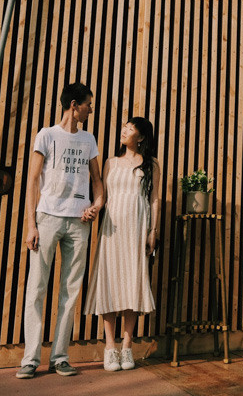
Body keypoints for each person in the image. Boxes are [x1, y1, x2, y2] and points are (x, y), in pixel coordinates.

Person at [17, 83, 105, 379]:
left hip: (79, 223)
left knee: (70, 290)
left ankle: (60, 356)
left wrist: (97, 205)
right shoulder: (47, 135)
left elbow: (97, 182)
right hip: (48, 219)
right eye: (88, 104)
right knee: (36, 289)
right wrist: (31, 224)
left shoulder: (89, 139)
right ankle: (30, 359)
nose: (91, 109)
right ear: (74, 105)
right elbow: (32, 180)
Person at [85, 116, 161, 372]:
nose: (124, 130)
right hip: (112, 229)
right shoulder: (110, 162)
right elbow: (102, 196)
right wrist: (93, 209)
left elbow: (154, 200)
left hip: (137, 229)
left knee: (133, 284)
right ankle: (110, 347)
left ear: (140, 137)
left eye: (130, 128)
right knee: (110, 283)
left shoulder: (151, 165)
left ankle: (127, 346)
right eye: (124, 127)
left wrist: (153, 231)